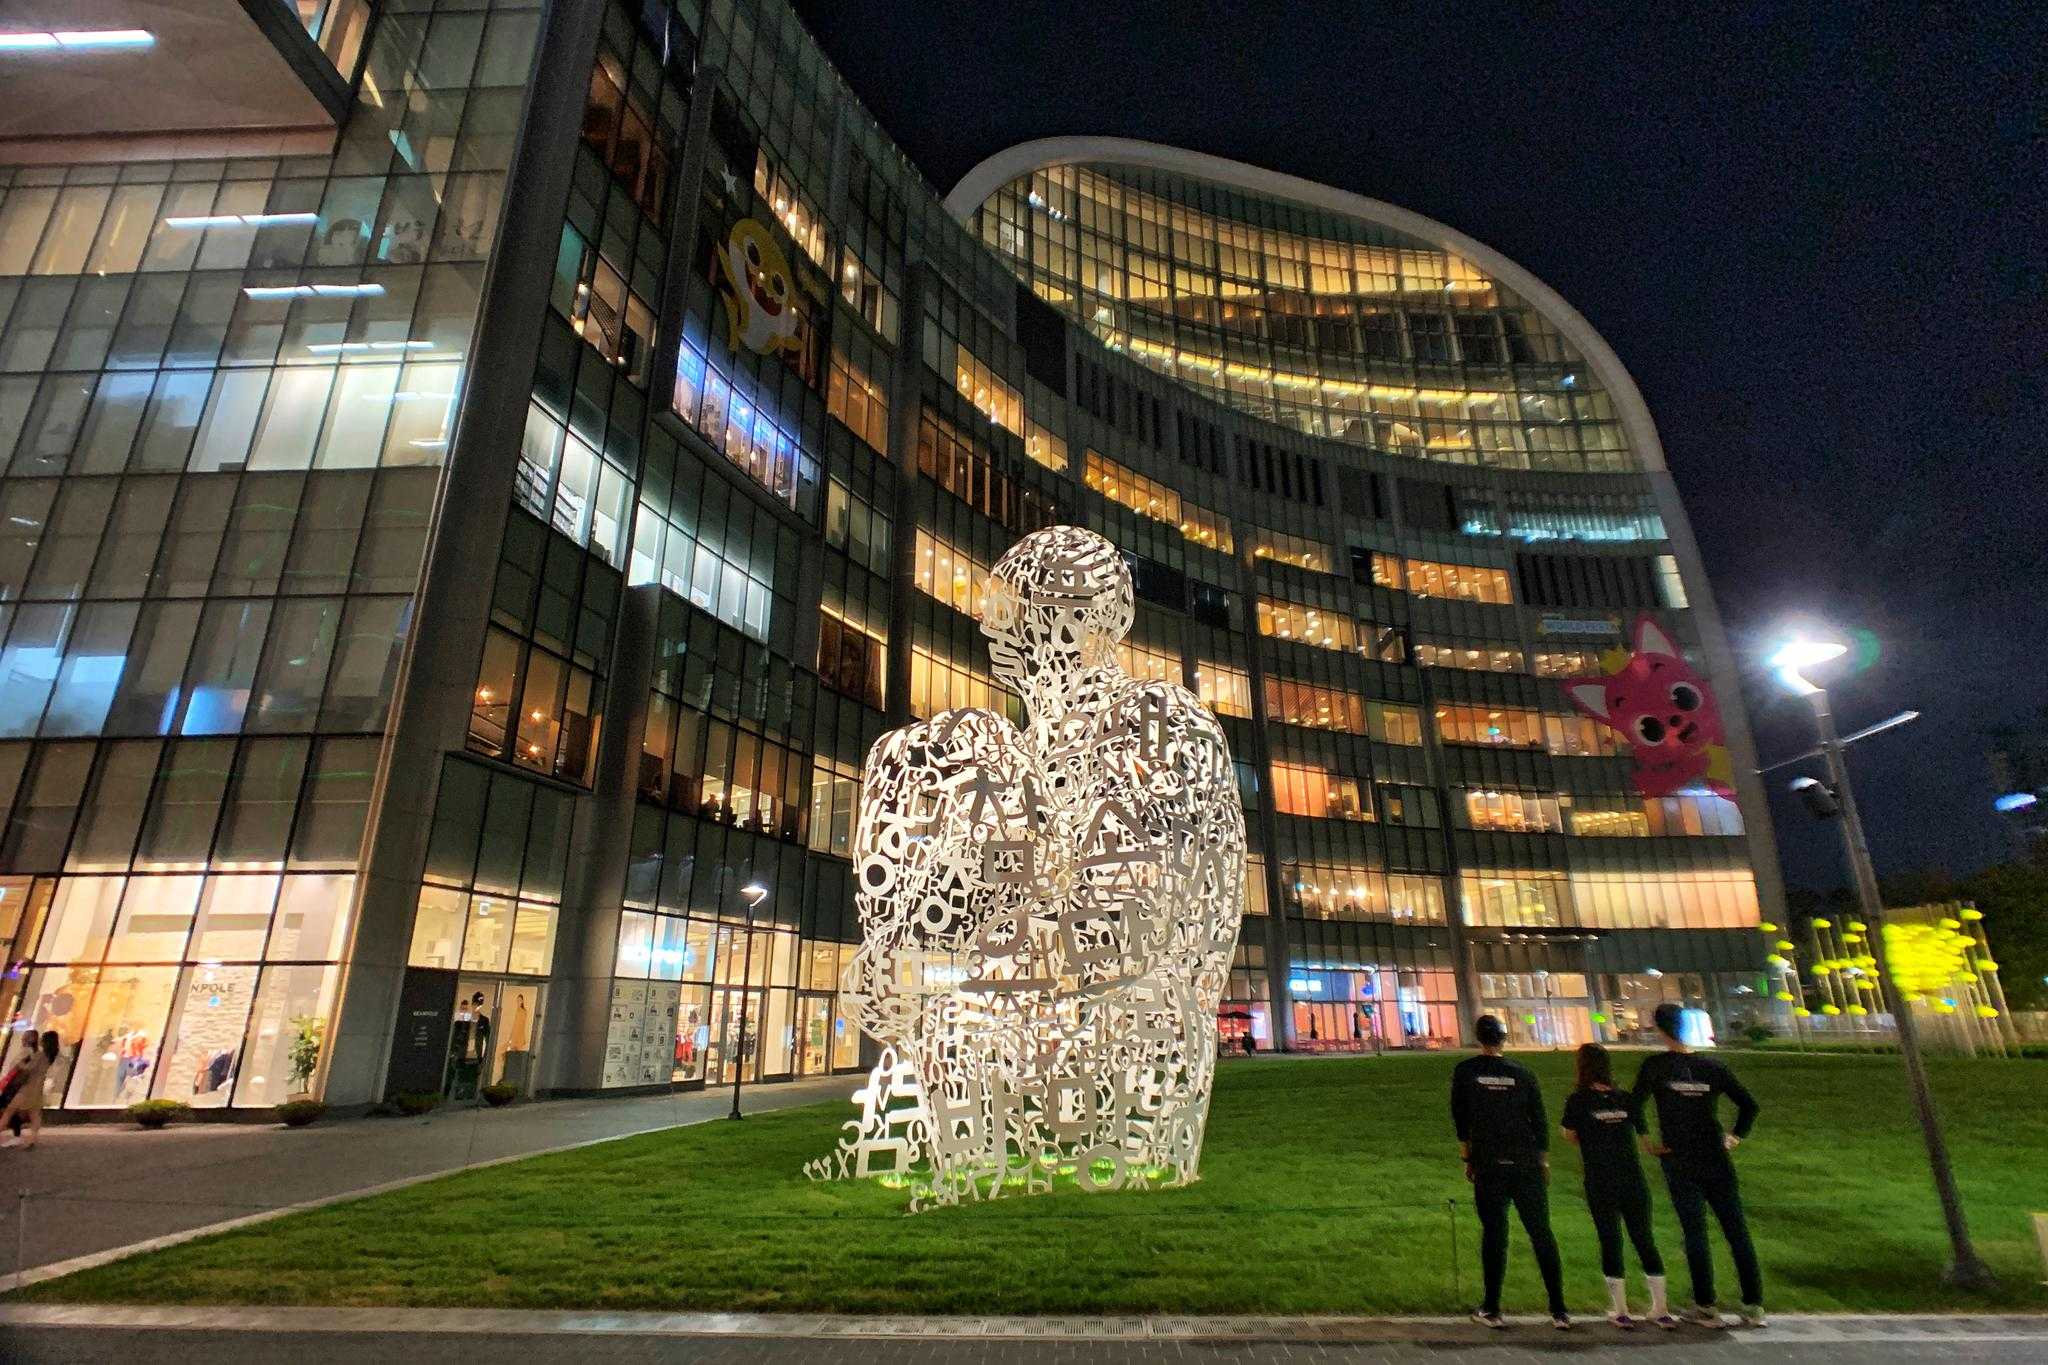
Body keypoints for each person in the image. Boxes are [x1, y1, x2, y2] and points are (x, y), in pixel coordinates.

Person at [1632, 1000, 1764, 1328]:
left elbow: (1635, 1104)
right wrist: (1734, 1136)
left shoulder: (1655, 1067)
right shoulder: (1713, 1068)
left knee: (1695, 1232)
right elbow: (1749, 1105)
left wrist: (1645, 1137)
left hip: (1679, 1160)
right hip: (1715, 1158)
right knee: (1736, 1231)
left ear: (1660, 1029)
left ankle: (1705, 1306)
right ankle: (1753, 1305)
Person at [1451, 1014, 1570, 1330]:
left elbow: (1461, 1119)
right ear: (1504, 1040)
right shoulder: (1523, 1073)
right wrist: (1542, 1161)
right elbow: (1540, 1121)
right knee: (1541, 1232)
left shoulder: (1466, 1072)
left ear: (1479, 1039)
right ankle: (1559, 1310)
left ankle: (1492, 1308)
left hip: (1489, 1162)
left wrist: (1467, 1157)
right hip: (1526, 1161)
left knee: (1494, 1234)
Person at [1561, 1043, 1674, 1330]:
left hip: (1601, 1180)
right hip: (1632, 1179)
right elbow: (1645, 1141)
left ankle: (1620, 1310)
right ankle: (1660, 1308)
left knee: (1610, 1240)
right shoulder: (1626, 1099)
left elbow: (1569, 1135)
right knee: (1644, 1239)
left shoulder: (1578, 1100)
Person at [0, 1031, 61, 1149]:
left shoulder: (40, 1055)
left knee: (8, 1112)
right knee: (34, 1116)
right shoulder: (50, 1056)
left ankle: (28, 1139)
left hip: (28, 1088)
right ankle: (32, 1140)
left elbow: (29, 1068)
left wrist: (20, 1064)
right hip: (38, 1089)